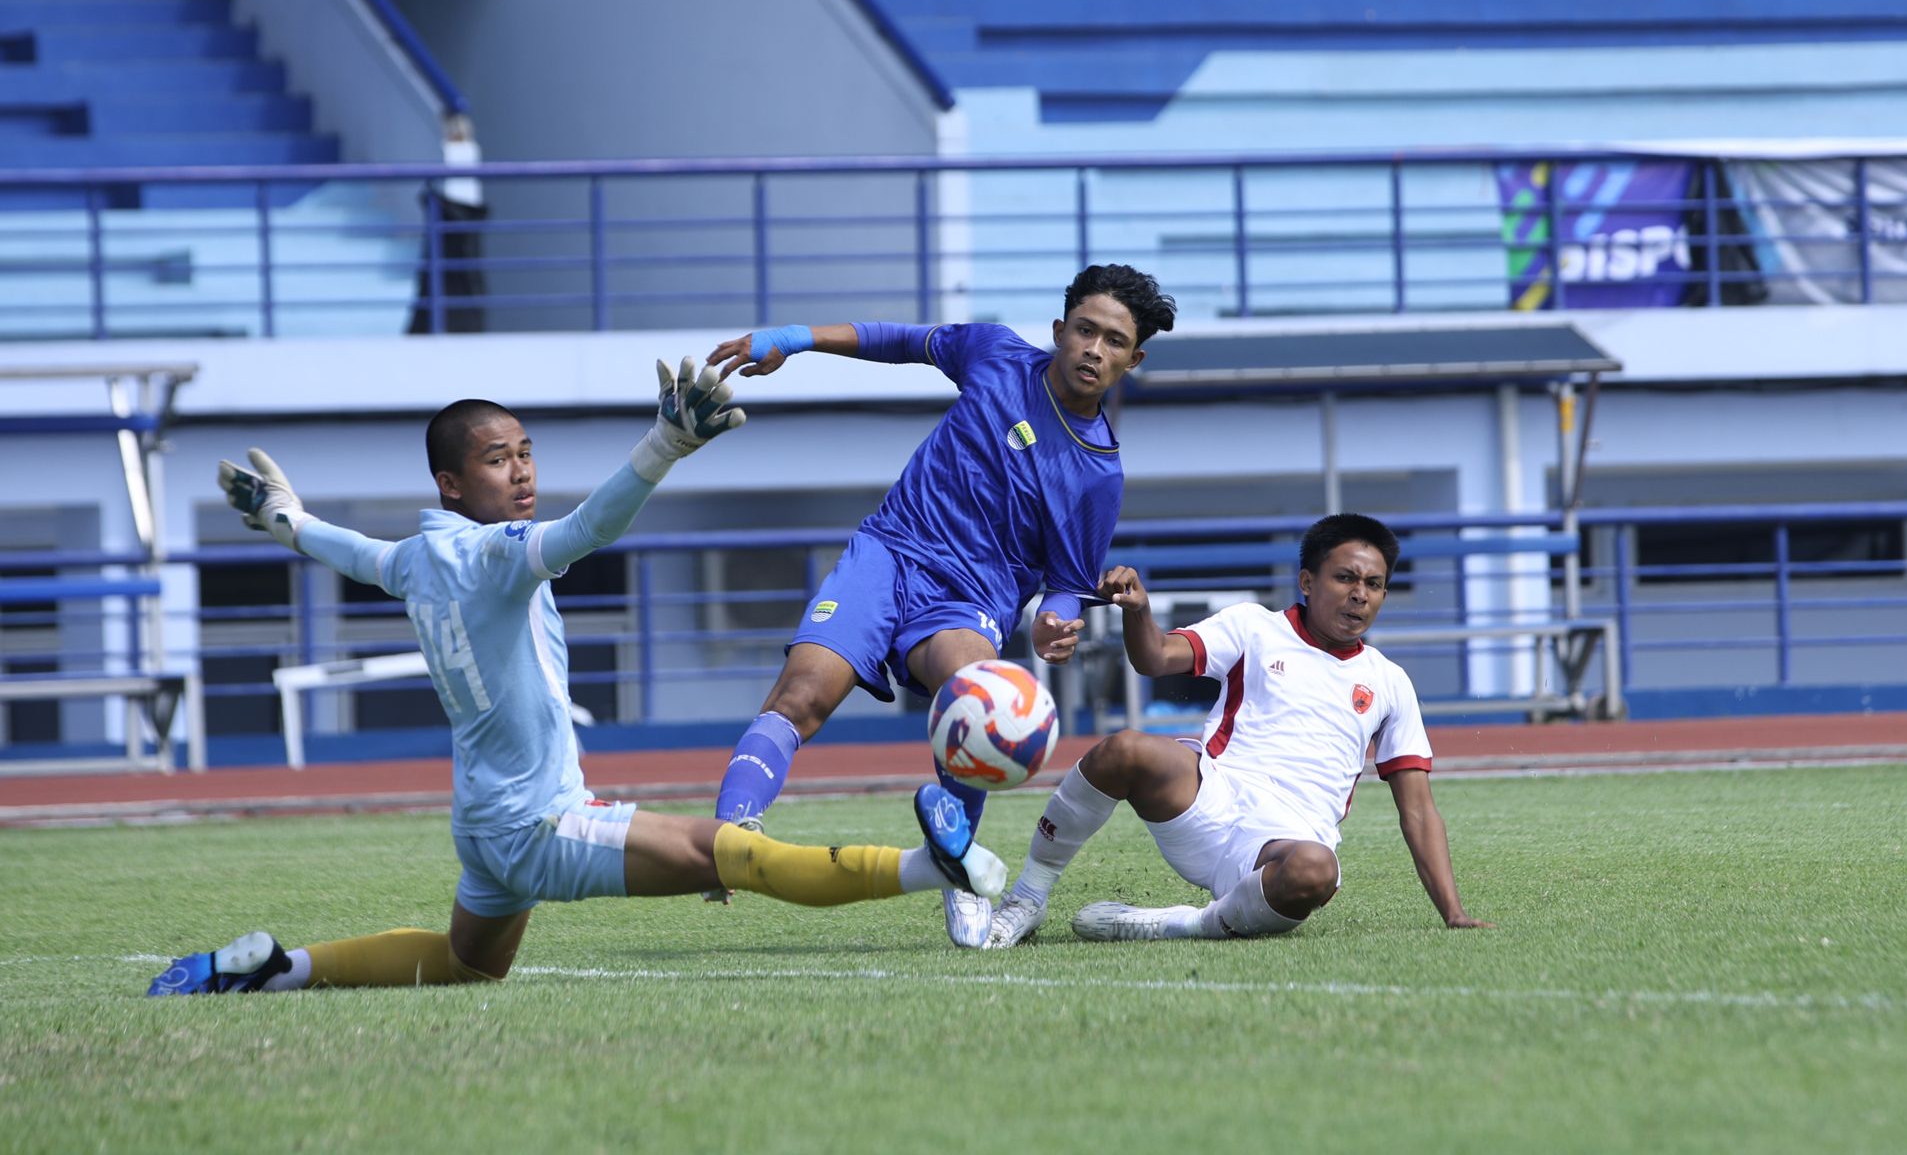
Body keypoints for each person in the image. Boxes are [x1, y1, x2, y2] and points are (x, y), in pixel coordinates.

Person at [148, 360, 1005, 996]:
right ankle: (935, 867)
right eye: (496, 460)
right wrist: (666, 443)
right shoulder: (495, 552)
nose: (520, 471)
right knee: (725, 855)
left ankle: (272, 971)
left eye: (525, 452)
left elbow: (348, 550)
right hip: (538, 823)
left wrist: (285, 519)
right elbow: (590, 527)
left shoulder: (414, 559)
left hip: (484, 827)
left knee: (465, 965)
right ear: (451, 484)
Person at [700, 264, 1178, 948]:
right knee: (803, 695)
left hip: (971, 598)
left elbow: (1069, 579)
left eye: (1113, 341)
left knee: (978, 695)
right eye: (1085, 330)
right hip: (888, 554)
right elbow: (896, 340)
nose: (1094, 350)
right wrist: (795, 337)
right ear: (1059, 331)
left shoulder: (1098, 474)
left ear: (1135, 358)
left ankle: (957, 876)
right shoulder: (995, 354)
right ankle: (727, 837)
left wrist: (1054, 621)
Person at [983, 513, 1492, 947]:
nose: (1359, 595)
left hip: (1285, 843)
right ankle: (1028, 896)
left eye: (1373, 584)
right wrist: (1139, 612)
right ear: (1308, 581)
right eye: (1345, 578)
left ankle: (1183, 924)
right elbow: (1156, 658)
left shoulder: (1389, 681)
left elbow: (1418, 808)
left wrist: (1453, 911)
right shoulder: (1255, 626)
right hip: (1209, 800)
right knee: (1123, 749)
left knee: (1317, 871)